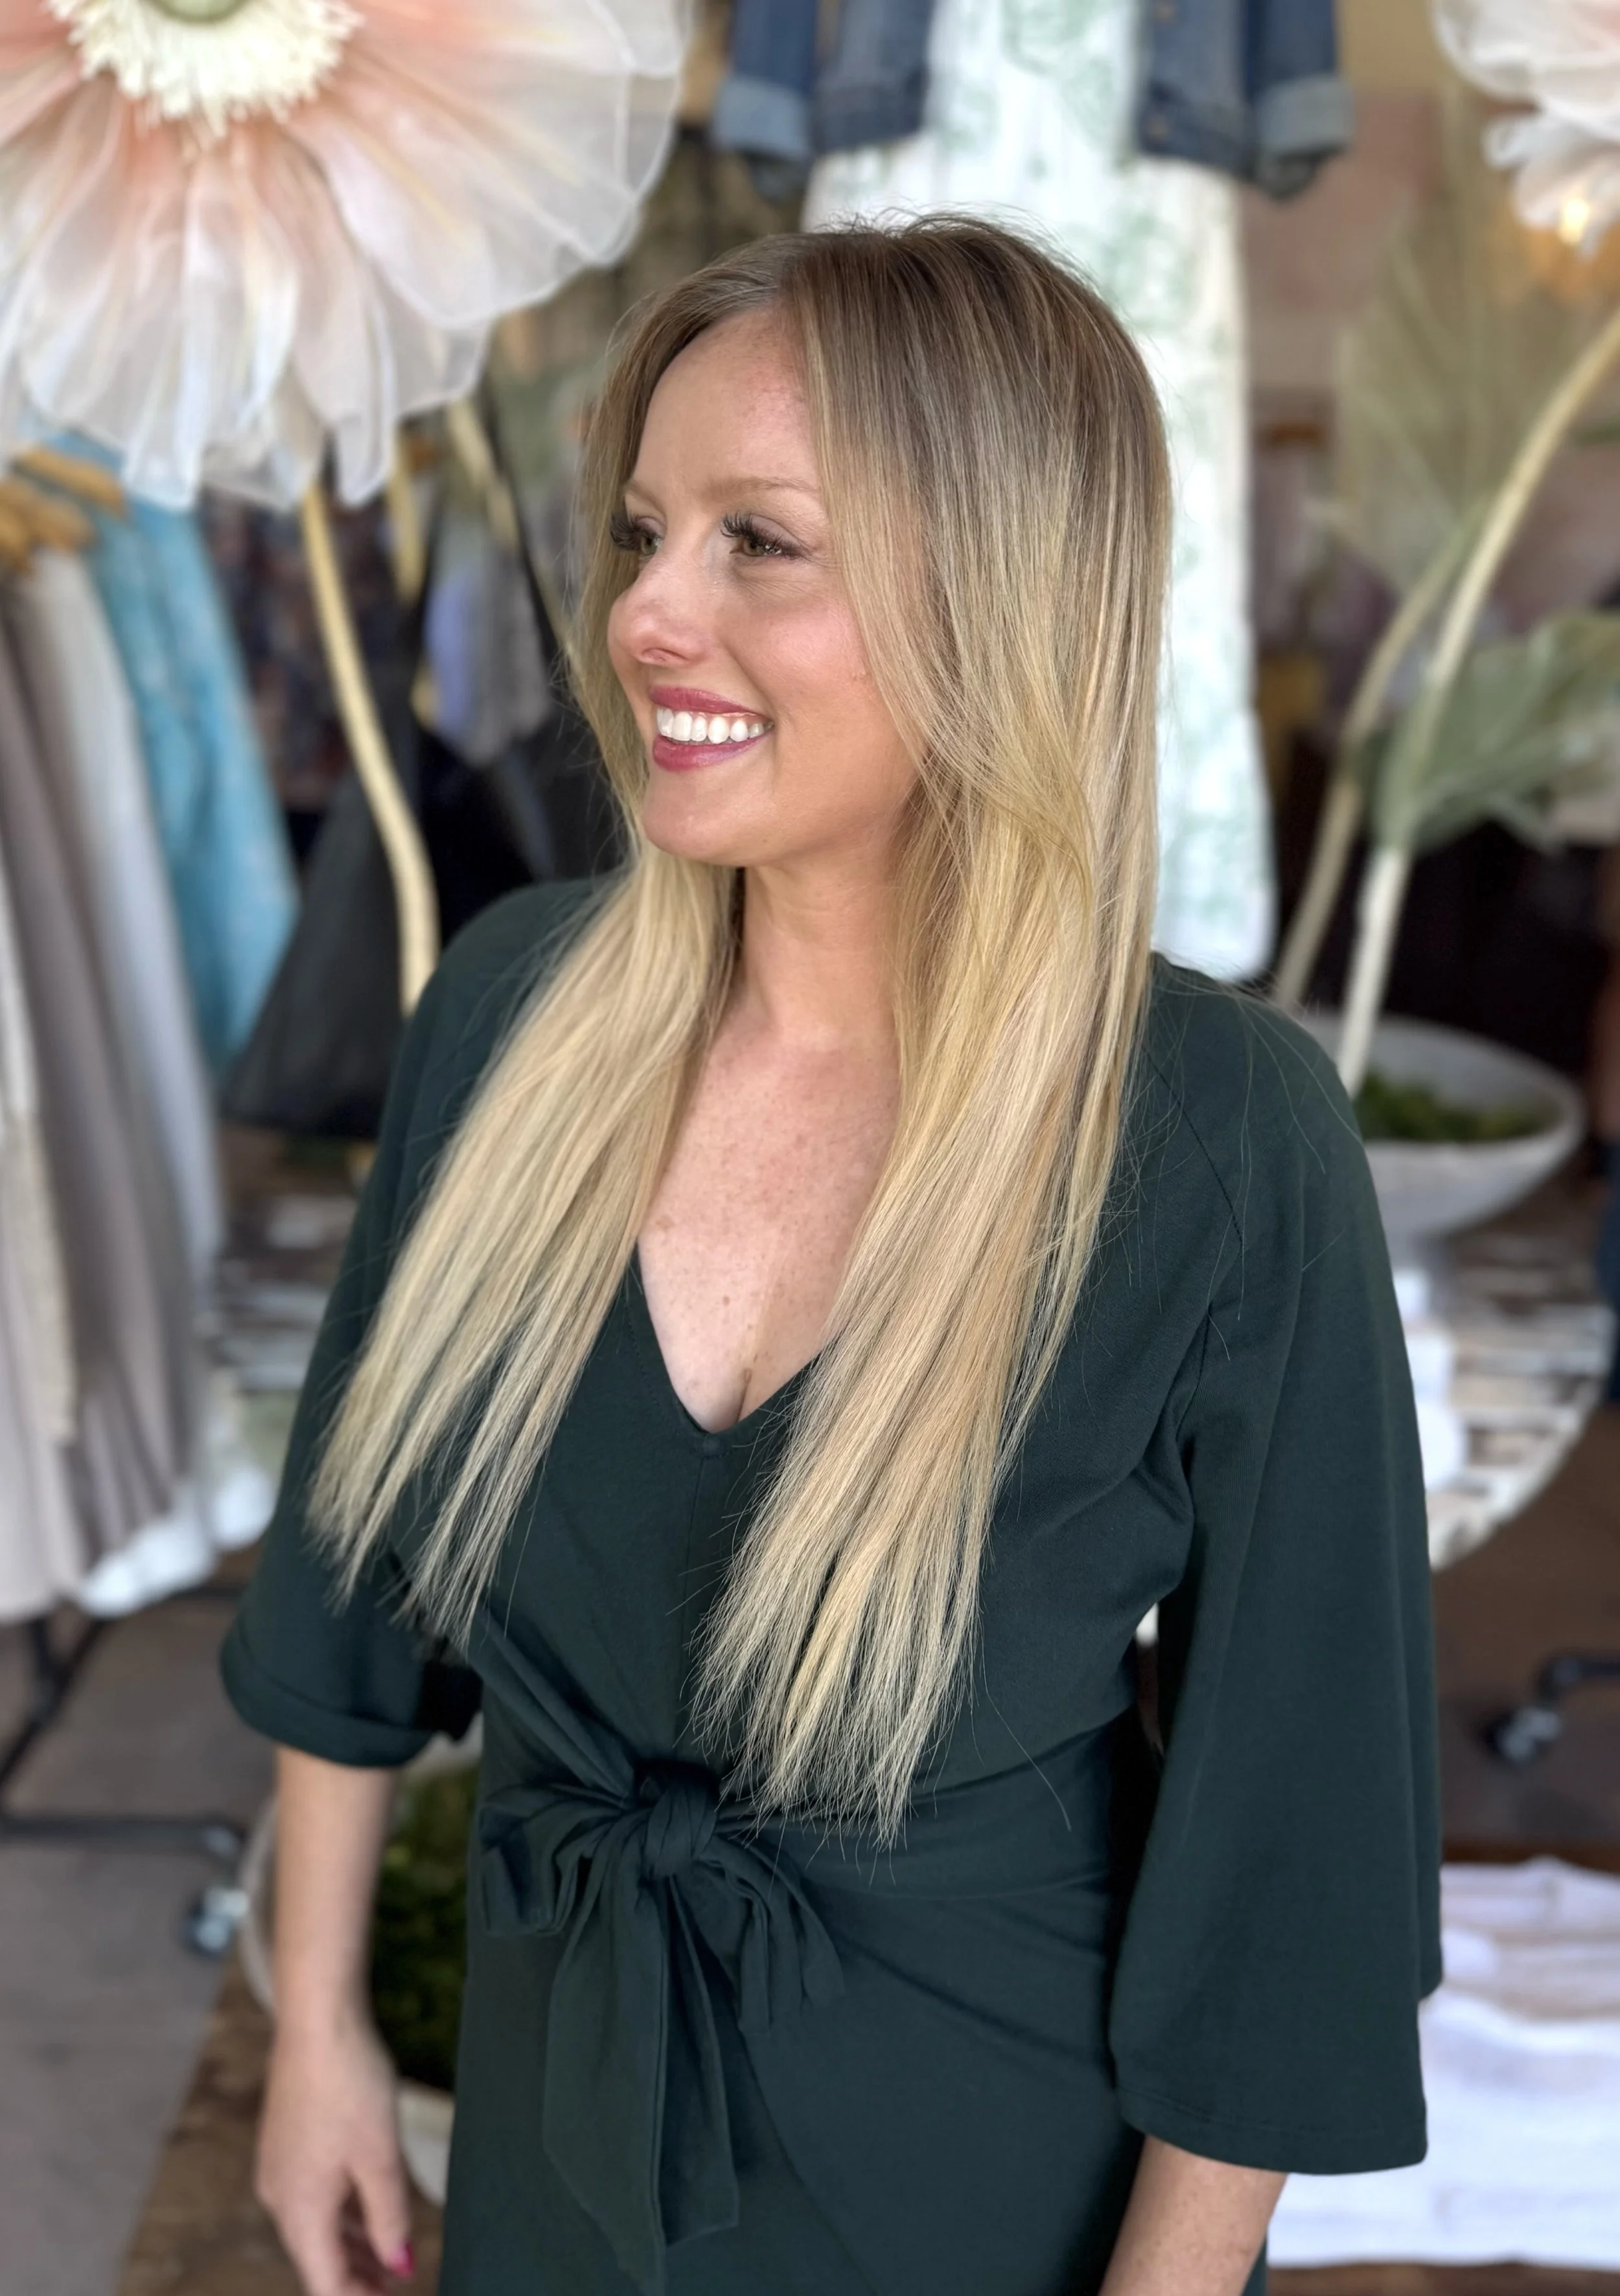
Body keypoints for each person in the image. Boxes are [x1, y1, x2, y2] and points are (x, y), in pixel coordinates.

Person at [221, 218, 1441, 2296]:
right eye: (639, 533)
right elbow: (353, 1580)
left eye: (754, 545)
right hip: (553, 2118)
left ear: (993, 592)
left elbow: (1291, 1846)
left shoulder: (1218, 1146)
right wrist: (316, 2027)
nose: (642, 614)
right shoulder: (512, 1018)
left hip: (978, 2177)